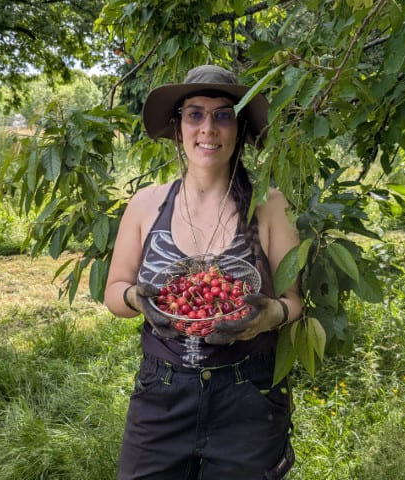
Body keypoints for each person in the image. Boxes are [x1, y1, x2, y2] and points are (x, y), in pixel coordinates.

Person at [104, 64, 303, 479]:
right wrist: (136, 298)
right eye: (195, 114)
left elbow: (292, 302)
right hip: (162, 394)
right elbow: (115, 290)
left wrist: (269, 315)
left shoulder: (270, 206)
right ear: (178, 128)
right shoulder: (146, 204)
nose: (208, 128)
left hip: (248, 397)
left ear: (239, 129)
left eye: (223, 115)